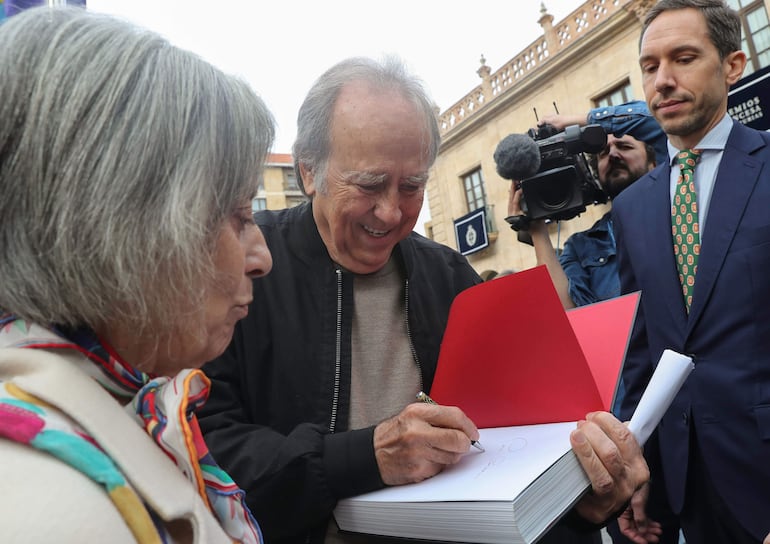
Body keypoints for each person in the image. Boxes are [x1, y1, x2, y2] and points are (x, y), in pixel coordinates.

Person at [198, 56, 651, 544]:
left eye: (412, 186)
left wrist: (580, 502)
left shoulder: (451, 277)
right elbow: (203, 447)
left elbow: (514, 448)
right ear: (309, 172)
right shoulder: (244, 267)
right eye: (370, 184)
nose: (391, 212)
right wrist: (365, 458)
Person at [0, 6, 275, 543]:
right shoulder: (53, 510)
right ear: (129, 229)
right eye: (238, 217)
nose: (262, 258)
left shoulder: (109, 409)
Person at [611, 0, 770, 542]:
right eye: (651, 66)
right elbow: (642, 354)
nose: (664, 80)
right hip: (683, 485)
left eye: (683, 58)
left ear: (732, 65)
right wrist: (636, 466)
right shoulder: (631, 208)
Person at [508, 104, 662, 310]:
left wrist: (585, 120)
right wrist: (537, 230)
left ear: (654, 162)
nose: (613, 155)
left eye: (625, 146)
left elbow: (658, 121)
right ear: (597, 173)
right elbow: (568, 312)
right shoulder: (581, 247)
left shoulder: (678, 206)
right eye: (604, 153)